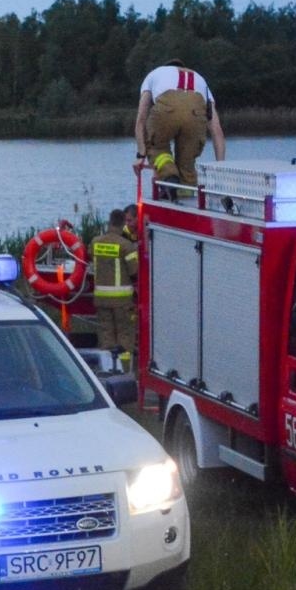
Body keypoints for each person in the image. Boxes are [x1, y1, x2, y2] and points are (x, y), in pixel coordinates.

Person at [133, 59, 227, 192]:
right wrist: (220, 167)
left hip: (167, 109)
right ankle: (185, 197)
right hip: (197, 112)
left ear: (167, 67)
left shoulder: (154, 74)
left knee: (156, 148)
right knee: (187, 164)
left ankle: (169, 175)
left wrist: (141, 155)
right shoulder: (201, 80)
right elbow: (217, 131)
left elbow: (141, 119)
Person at [90, 208, 140, 365]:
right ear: (123, 223)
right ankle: (124, 371)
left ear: (109, 222)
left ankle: (107, 370)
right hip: (122, 301)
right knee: (125, 337)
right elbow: (135, 271)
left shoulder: (95, 242)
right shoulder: (126, 246)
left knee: (106, 336)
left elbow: (91, 257)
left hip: (101, 299)